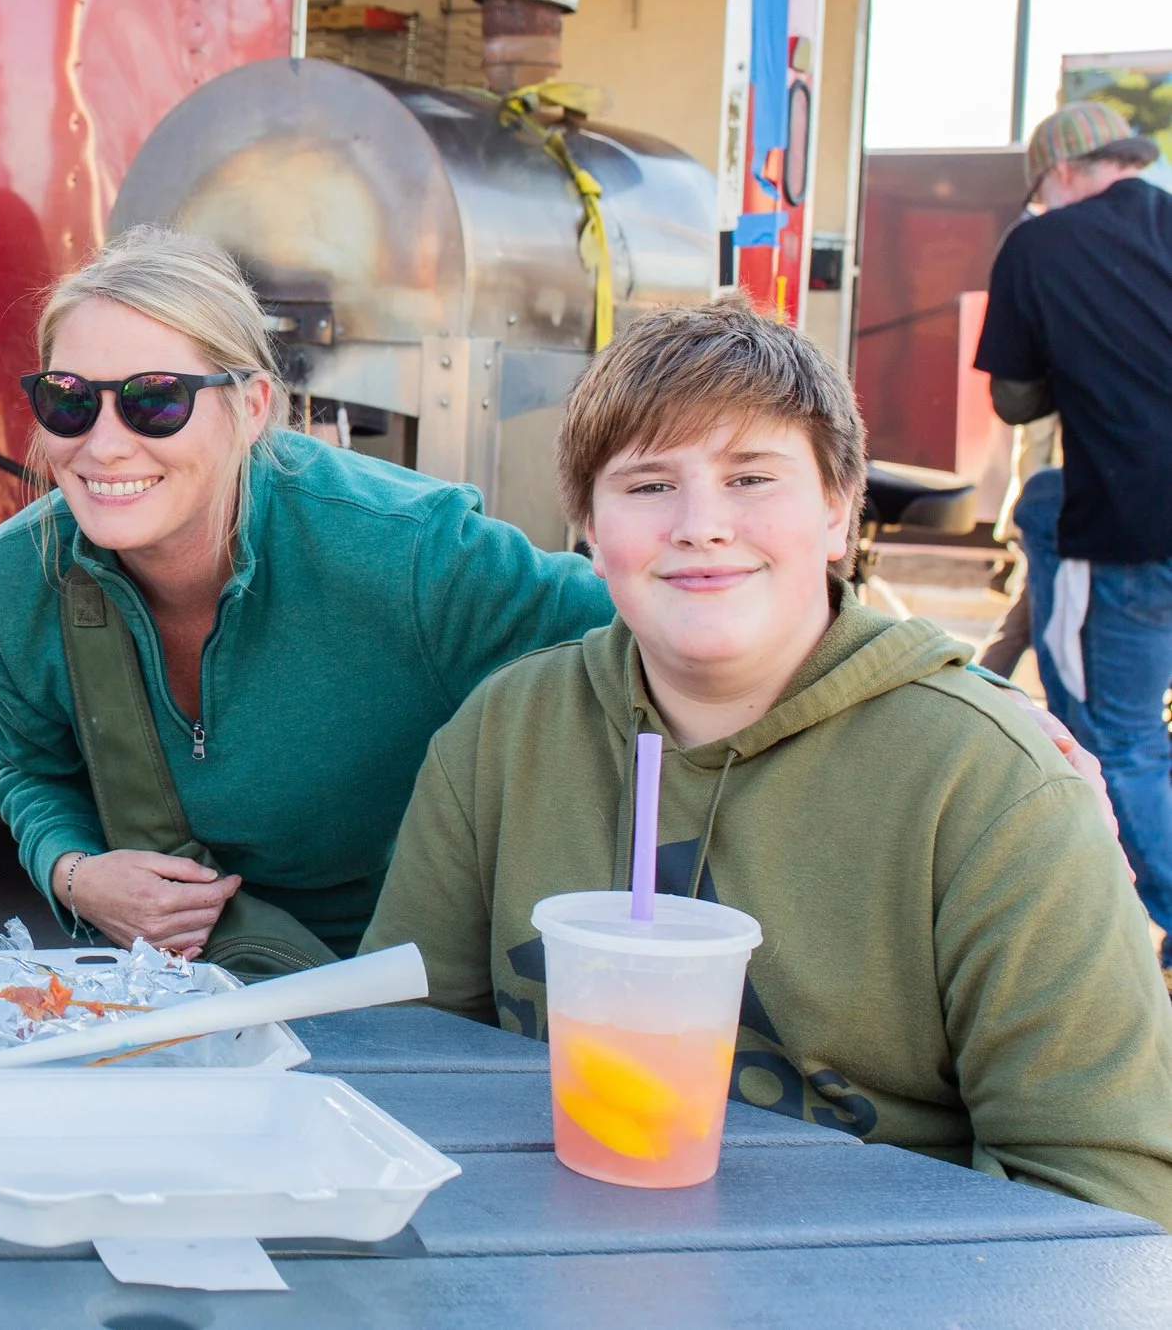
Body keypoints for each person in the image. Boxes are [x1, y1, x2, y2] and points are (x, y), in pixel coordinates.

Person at [361, 298, 1172, 1224]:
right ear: (586, 523)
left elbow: (1106, 1197)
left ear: (838, 511)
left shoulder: (986, 783)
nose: (702, 524)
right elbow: (410, 1052)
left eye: (752, 477)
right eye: (650, 484)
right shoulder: (505, 732)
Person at [0, 229, 615, 974]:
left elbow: (633, 635)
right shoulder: (19, 572)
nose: (105, 445)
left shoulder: (407, 551)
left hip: (403, 1002)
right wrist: (76, 873)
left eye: (155, 400)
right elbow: (32, 770)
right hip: (187, 988)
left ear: (251, 408)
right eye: (70, 400)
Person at [976, 100, 1172, 973]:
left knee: (1119, 739)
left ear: (1057, 176)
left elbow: (1014, 399)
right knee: (1048, 501)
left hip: (1136, 525)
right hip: (1125, 512)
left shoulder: (1041, 243)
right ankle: (994, 659)